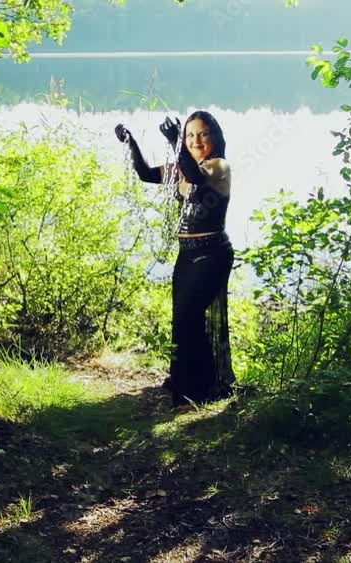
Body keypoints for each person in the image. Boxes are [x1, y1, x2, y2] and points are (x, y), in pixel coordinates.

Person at [115, 111, 235, 410]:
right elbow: (145, 173)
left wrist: (174, 142)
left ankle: (198, 392)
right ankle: (190, 379)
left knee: (189, 319)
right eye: (190, 135)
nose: (196, 141)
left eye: (203, 134)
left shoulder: (219, 166)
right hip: (187, 254)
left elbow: (196, 178)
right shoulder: (181, 168)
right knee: (183, 320)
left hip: (212, 254)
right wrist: (131, 142)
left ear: (215, 137)